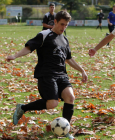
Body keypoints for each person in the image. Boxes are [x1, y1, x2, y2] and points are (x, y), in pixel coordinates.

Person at [7, 11, 88, 139]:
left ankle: (65, 130)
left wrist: (82, 70)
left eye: (66, 25)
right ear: (55, 22)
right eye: (62, 24)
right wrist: (15, 55)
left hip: (62, 74)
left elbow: (69, 59)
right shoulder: (44, 35)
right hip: (46, 74)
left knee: (70, 97)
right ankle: (22, 108)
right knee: (52, 104)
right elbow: (29, 48)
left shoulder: (64, 39)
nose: (63, 28)